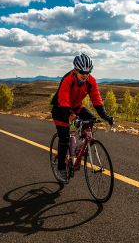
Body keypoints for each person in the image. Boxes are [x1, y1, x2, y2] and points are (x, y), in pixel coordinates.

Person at [51, 53, 114, 183]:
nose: (85, 75)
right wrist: (73, 118)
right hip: (60, 109)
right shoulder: (68, 79)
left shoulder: (91, 81)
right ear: (75, 70)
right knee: (64, 138)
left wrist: (105, 116)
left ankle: (81, 145)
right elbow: (63, 102)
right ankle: (61, 167)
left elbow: (96, 100)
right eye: (81, 72)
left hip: (76, 106)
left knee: (91, 118)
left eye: (88, 72)